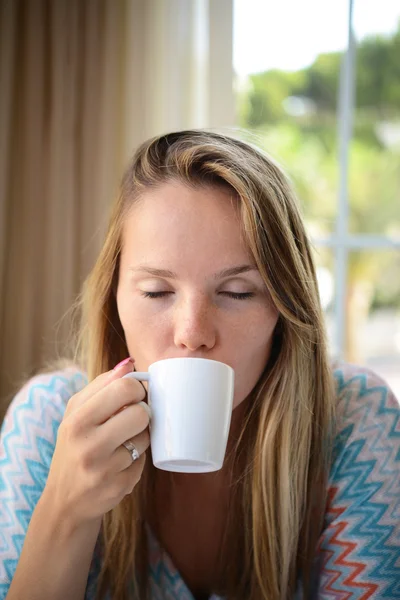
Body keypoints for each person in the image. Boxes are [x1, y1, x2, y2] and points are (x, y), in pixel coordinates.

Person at [0, 130, 399, 600]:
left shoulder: (353, 420)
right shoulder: (48, 422)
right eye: (156, 292)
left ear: (286, 310)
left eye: (237, 292)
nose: (192, 331)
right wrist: (65, 514)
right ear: (115, 300)